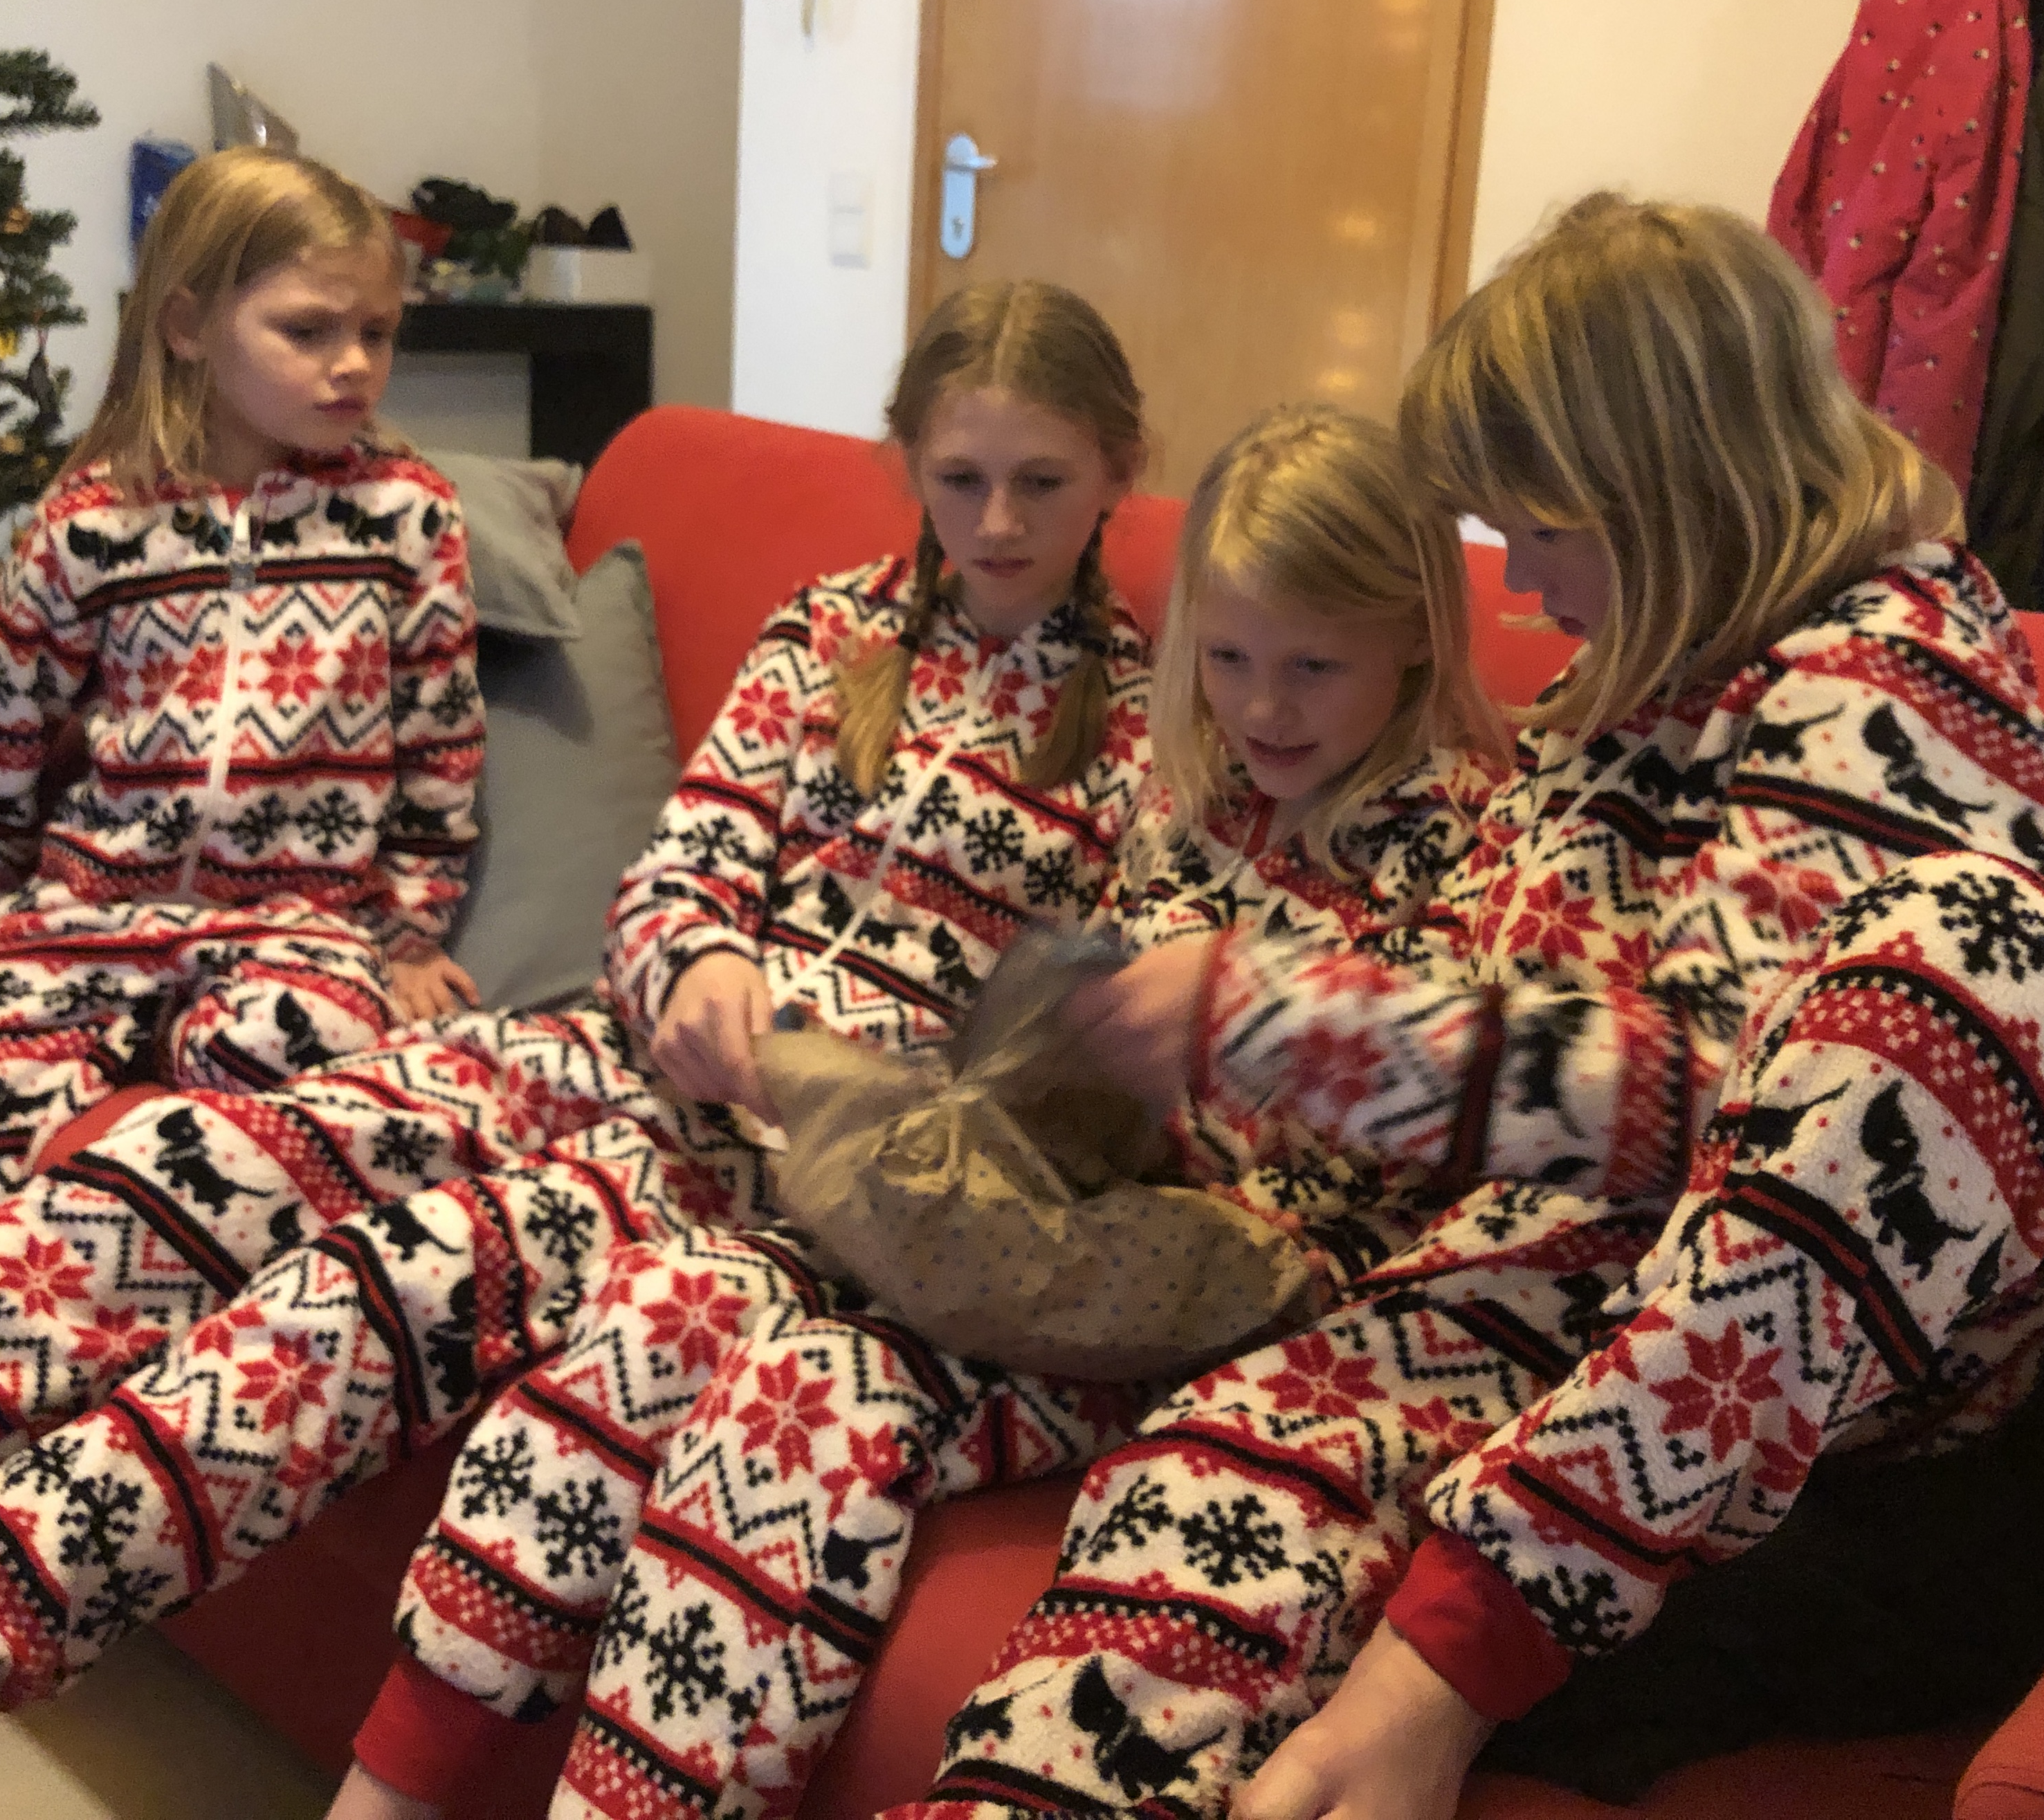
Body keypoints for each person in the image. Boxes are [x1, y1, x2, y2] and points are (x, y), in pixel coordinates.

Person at [0, 282, 1154, 1814]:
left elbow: (1088, 1075)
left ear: (1116, 475)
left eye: (1043, 482)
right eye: (962, 477)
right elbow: (685, 865)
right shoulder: (826, 632)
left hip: (799, 1187)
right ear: (908, 459)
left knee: (343, 1314)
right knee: (185, 1166)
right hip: (609, 1053)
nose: (998, 522)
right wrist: (692, 955)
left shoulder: (1154, 730)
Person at [898, 192, 2044, 1820]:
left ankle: (1432, 1665)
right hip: (1520, 1286)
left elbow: (1725, 1111)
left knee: (1224, 1503)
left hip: (1767, 1373)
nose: (1528, 587)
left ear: (1670, 492)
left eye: (1543, 533)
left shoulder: (1888, 692)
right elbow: (1509, 1016)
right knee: (1181, 1514)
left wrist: (1271, 1020)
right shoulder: (1655, 674)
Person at [333, 399, 1505, 1820]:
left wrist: (1239, 1047)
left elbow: (1435, 1146)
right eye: (1230, 660)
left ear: (1417, 638)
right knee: (658, 1315)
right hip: (1045, 1224)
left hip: (1220, 1302)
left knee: (809, 1409)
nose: (1265, 709)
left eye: (1314, 667)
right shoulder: (1187, 790)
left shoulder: (1474, 852)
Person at [0, 146, 484, 1289]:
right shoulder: (94, 521)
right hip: (88, 914)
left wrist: (411, 927)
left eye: (376, 333)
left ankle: (166, 1309)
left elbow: (441, 740)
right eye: (308, 330)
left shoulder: (407, 515)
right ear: (187, 326)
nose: (353, 364)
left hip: (299, 924)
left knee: (310, 1109)